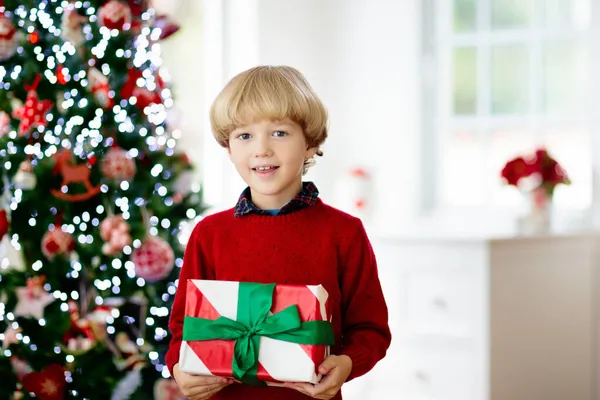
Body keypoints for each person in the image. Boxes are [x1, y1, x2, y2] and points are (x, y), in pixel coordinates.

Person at [165, 65, 391, 400]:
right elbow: (183, 329)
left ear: (310, 144)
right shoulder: (209, 234)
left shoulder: (344, 233)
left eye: (279, 133)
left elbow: (370, 329)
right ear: (228, 149)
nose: (262, 149)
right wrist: (178, 369)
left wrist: (346, 363)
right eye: (245, 136)